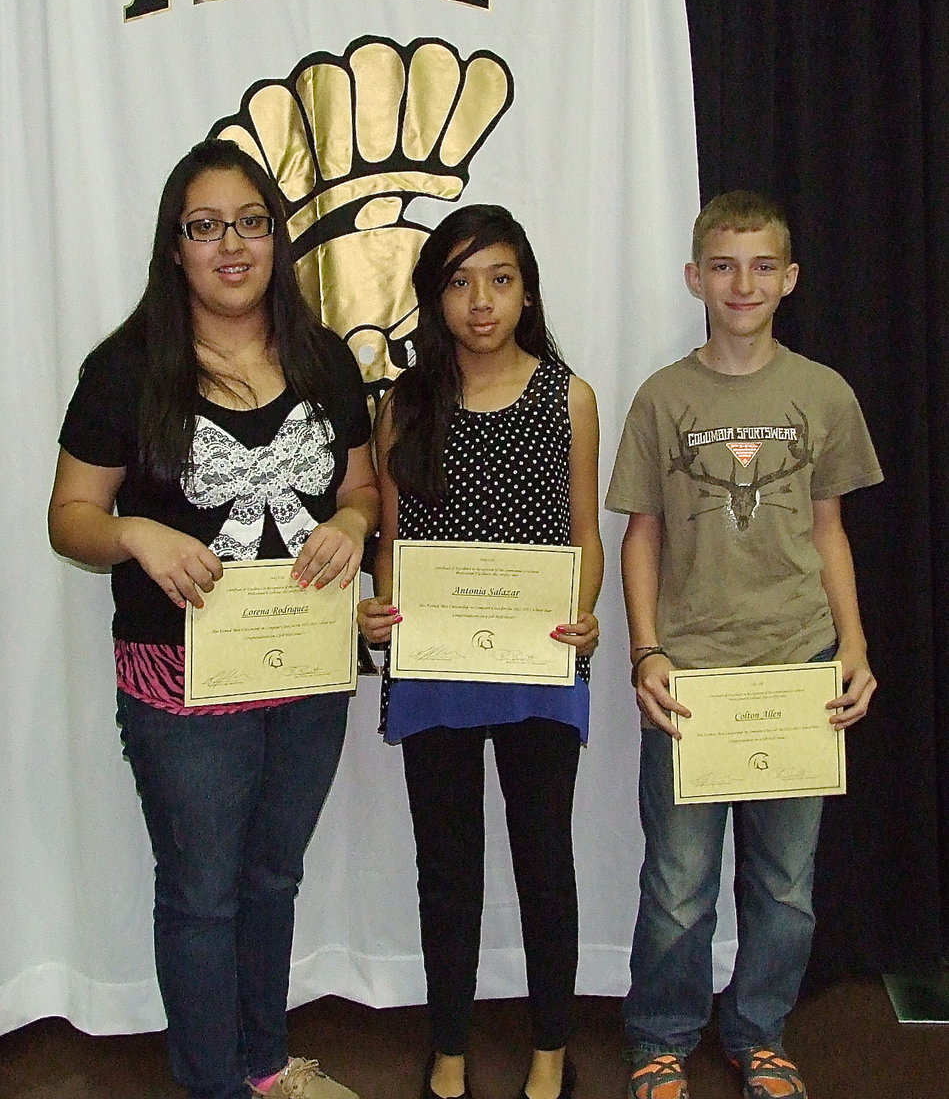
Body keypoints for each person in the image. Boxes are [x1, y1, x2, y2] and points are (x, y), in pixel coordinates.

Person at [48, 138, 379, 1099]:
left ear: (276, 237)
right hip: (180, 675)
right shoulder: (123, 369)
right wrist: (137, 534)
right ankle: (212, 1084)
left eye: (248, 223)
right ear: (175, 245)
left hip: (307, 665)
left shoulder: (322, 359)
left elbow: (359, 488)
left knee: (272, 878)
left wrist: (354, 522)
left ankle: (266, 1067)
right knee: (200, 895)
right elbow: (68, 518)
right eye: (204, 227)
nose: (230, 245)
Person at [606, 191, 882, 1099]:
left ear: (789, 279)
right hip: (690, 675)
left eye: (762, 265)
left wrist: (853, 645)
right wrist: (645, 650)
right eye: (722, 265)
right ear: (694, 277)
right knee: (679, 886)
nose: (742, 283)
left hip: (798, 665)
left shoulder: (821, 392)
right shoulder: (662, 397)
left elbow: (830, 529)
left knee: (785, 886)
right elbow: (638, 532)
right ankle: (659, 1038)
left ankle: (758, 1032)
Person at [358, 205, 603, 1099]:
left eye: (498, 279)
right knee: (447, 869)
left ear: (526, 289)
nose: (480, 301)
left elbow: (586, 535)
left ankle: (549, 1048)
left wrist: (584, 617)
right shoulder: (402, 404)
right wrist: (376, 609)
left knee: (545, 861)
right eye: (458, 282)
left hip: (539, 666)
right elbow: (390, 541)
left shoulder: (566, 395)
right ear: (434, 298)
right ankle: (450, 1046)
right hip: (436, 671)